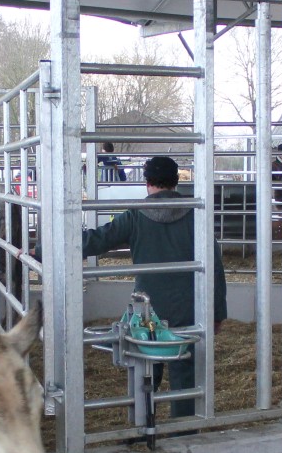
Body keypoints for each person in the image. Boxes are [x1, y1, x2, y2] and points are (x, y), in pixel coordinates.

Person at [81, 155, 227, 419]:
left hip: (148, 311)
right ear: (176, 181)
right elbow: (215, 265)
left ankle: (141, 427)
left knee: (145, 367)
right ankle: (183, 431)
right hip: (189, 308)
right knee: (185, 370)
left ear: (147, 182)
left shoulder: (135, 215)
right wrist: (217, 311)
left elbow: (98, 240)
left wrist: (44, 248)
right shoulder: (196, 213)